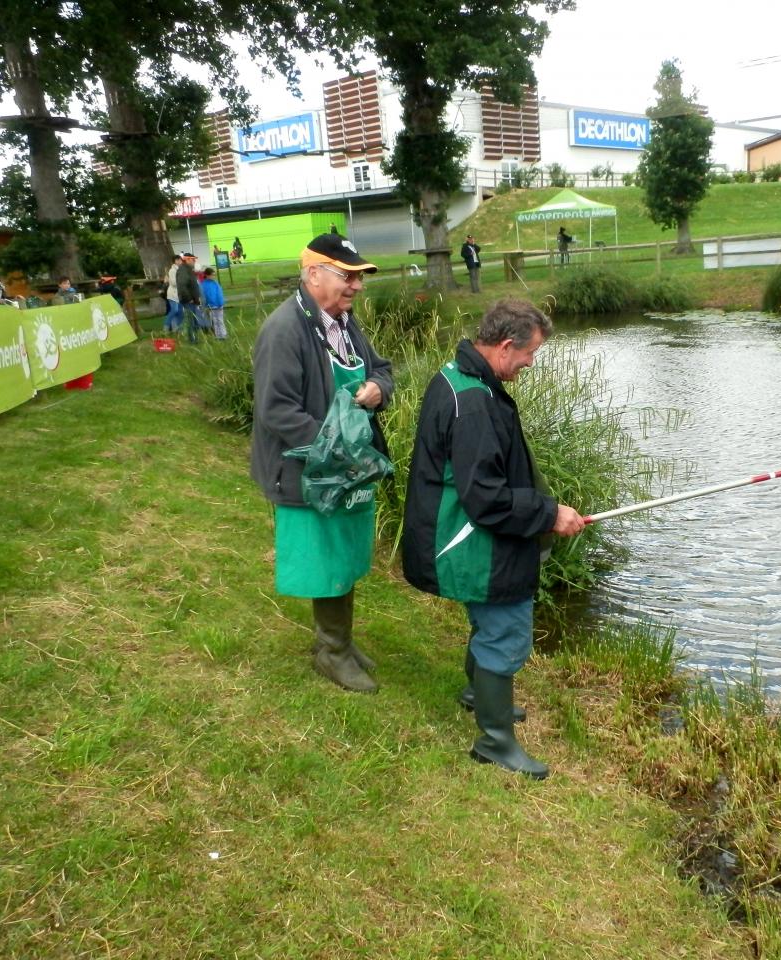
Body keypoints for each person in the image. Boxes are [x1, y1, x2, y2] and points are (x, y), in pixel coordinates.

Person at [402, 299, 586, 779]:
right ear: (506, 346)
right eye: (530, 355)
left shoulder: (459, 376)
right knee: (504, 628)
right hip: (469, 541)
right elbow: (485, 498)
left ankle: (477, 694)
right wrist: (549, 514)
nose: (530, 364)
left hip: (454, 532)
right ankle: (495, 742)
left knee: (489, 620)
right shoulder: (474, 402)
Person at [250, 233, 394, 694]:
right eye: (346, 275)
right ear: (313, 274)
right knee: (326, 557)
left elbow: (383, 369)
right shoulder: (284, 329)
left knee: (346, 553)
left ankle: (340, 643)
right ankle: (332, 653)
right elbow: (277, 410)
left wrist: (376, 388)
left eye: (359, 277)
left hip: (344, 468)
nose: (355, 285)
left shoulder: (345, 323)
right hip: (309, 470)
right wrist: (337, 447)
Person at [177, 253, 208, 338]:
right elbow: (182, 286)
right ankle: (192, 339)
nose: (195, 261)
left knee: (195, 320)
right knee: (191, 321)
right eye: (193, 259)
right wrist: (189, 298)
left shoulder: (189, 270)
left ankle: (195, 338)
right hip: (189, 301)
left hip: (194, 300)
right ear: (187, 260)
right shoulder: (183, 270)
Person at [200, 267, 227, 339]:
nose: (214, 276)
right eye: (212, 275)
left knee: (220, 320)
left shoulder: (216, 283)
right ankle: (218, 336)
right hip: (211, 306)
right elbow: (205, 296)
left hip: (219, 305)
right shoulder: (204, 285)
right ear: (207, 275)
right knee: (215, 321)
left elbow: (219, 294)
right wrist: (206, 305)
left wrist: (221, 302)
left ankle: (223, 334)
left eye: (214, 275)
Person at [164, 255, 184, 335]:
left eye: (181, 260)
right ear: (175, 261)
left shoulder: (180, 270)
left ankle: (178, 329)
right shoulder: (172, 271)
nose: (181, 262)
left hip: (179, 295)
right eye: (179, 260)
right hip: (172, 294)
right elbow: (173, 283)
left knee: (180, 313)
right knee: (174, 310)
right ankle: (166, 326)